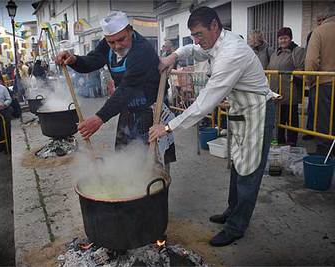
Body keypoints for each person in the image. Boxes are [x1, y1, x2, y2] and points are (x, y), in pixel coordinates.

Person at [149, 6, 275, 246]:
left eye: (199, 34)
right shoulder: (214, 43)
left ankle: (237, 227)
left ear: (215, 26)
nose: (196, 40)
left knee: (249, 171)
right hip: (241, 111)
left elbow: (205, 102)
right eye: (193, 35)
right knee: (238, 163)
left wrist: (167, 127)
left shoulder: (231, 53)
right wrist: (173, 56)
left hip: (257, 113)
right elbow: (192, 50)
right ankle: (232, 210)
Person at [56, 11, 176, 166]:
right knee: (124, 160)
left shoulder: (142, 50)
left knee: (152, 165)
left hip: (151, 111)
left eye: (122, 39)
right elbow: (93, 60)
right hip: (127, 108)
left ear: (130, 31)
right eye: (111, 42)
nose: (117, 46)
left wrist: (99, 118)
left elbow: (127, 88)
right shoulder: (107, 44)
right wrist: (74, 60)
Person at [267, 27, 305, 146]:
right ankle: (280, 139)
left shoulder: (297, 51)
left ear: (290, 38)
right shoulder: (275, 53)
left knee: (291, 117)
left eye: (285, 38)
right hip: (276, 91)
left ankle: (292, 141)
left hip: (290, 91)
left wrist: (293, 80)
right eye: (280, 38)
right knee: (279, 117)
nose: (283, 41)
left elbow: (301, 68)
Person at [305, 4, 335, 155]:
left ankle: (325, 157)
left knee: (324, 124)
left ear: (323, 18)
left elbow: (311, 61)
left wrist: (309, 81)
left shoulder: (319, 31)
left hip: (325, 83)